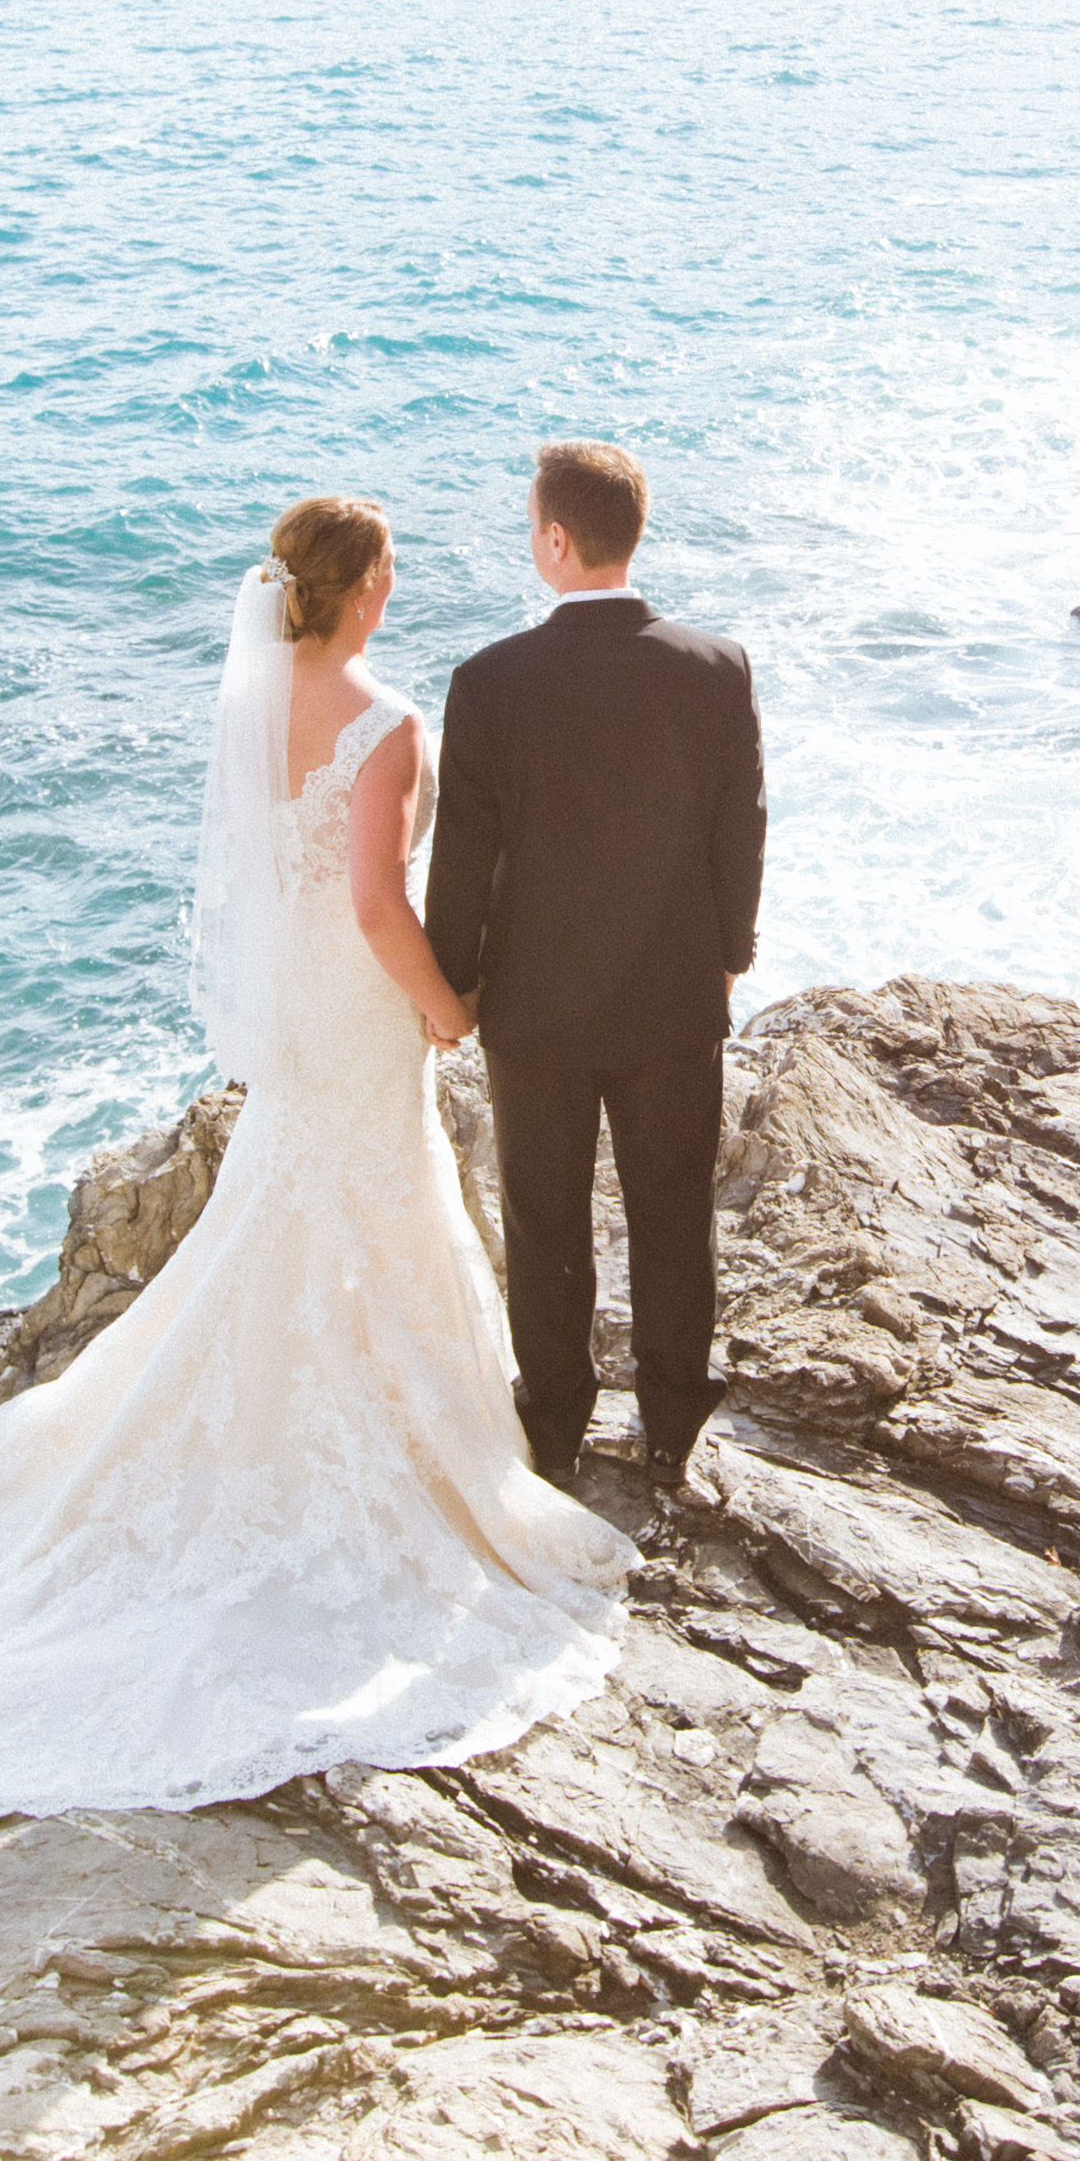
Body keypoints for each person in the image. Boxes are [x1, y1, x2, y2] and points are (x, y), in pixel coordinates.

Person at [0, 493, 630, 1865]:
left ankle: (258, 1419)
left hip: (293, 1016)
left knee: (281, 1214)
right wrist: (448, 1008)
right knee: (372, 1210)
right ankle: (381, 1446)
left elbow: (278, 873)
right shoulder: (386, 724)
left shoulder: (250, 703)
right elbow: (380, 902)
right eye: (390, 565)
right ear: (368, 585)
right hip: (357, 1006)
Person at [424, 440, 766, 1495]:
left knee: (544, 1220)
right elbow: (740, 832)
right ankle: (670, 1430)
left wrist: (455, 981)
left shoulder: (488, 681)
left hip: (534, 1006)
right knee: (673, 1217)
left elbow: (464, 858)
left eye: (533, 523)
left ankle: (555, 1429)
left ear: (556, 541)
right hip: (671, 995)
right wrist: (727, 959)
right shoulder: (716, 667)